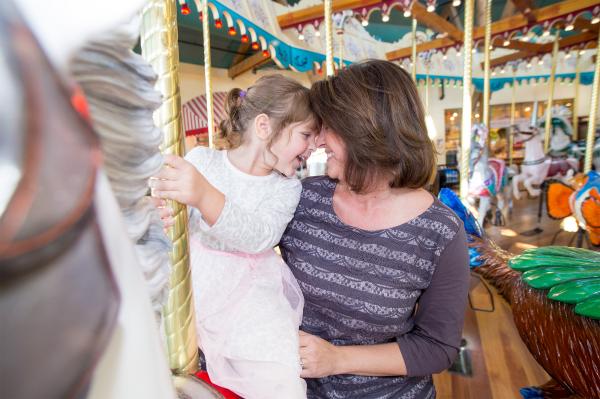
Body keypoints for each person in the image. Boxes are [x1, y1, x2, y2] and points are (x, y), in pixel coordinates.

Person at [279, 60, 470, 399]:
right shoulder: (304, 198)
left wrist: (337, 359)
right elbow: (242, 241)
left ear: (363, 130)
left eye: (328, 127)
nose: (318, 140)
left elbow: (437, 347)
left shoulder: (440, 232)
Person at [150, 74, 319, 399]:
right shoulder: (203, 161)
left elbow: (260, 236)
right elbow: (171, 218)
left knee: (280, 379)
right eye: (306, 134)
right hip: (194, 282)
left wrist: (203, 195)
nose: (312, 146)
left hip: (248, 295)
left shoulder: (285, 188)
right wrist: (161, 211)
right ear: (264, 127)